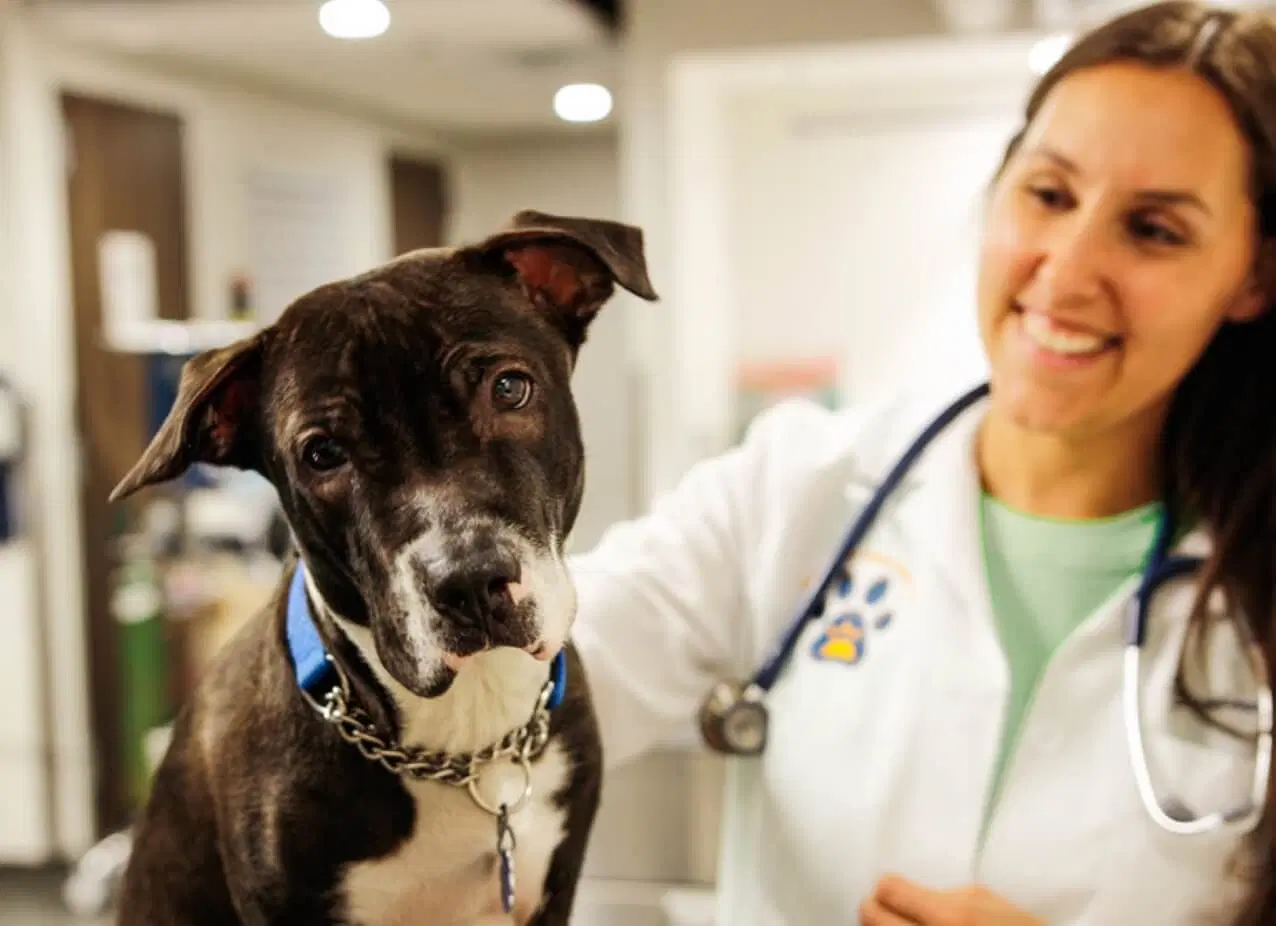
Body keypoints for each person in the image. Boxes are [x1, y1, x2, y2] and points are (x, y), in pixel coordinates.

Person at [567, 2, 1276, 924]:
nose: (1067, 272)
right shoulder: (797, 488)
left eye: (1154, 230)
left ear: (1254, 276)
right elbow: (520, 692)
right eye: (1049, 195)